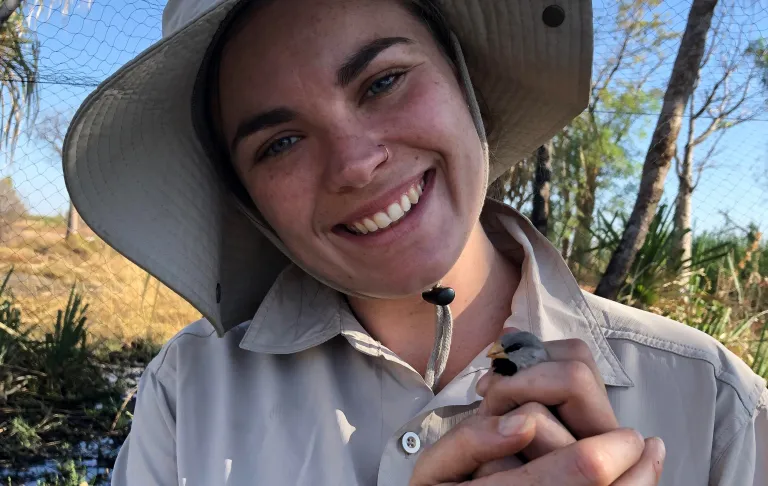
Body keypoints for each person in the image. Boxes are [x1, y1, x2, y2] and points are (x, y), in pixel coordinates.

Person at [62, 0, 767, 484]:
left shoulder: (715, 404)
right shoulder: (192, 393)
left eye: (385, 81)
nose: (355, 164)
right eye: (279, 143)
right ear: (250, 206)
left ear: (465, 84)